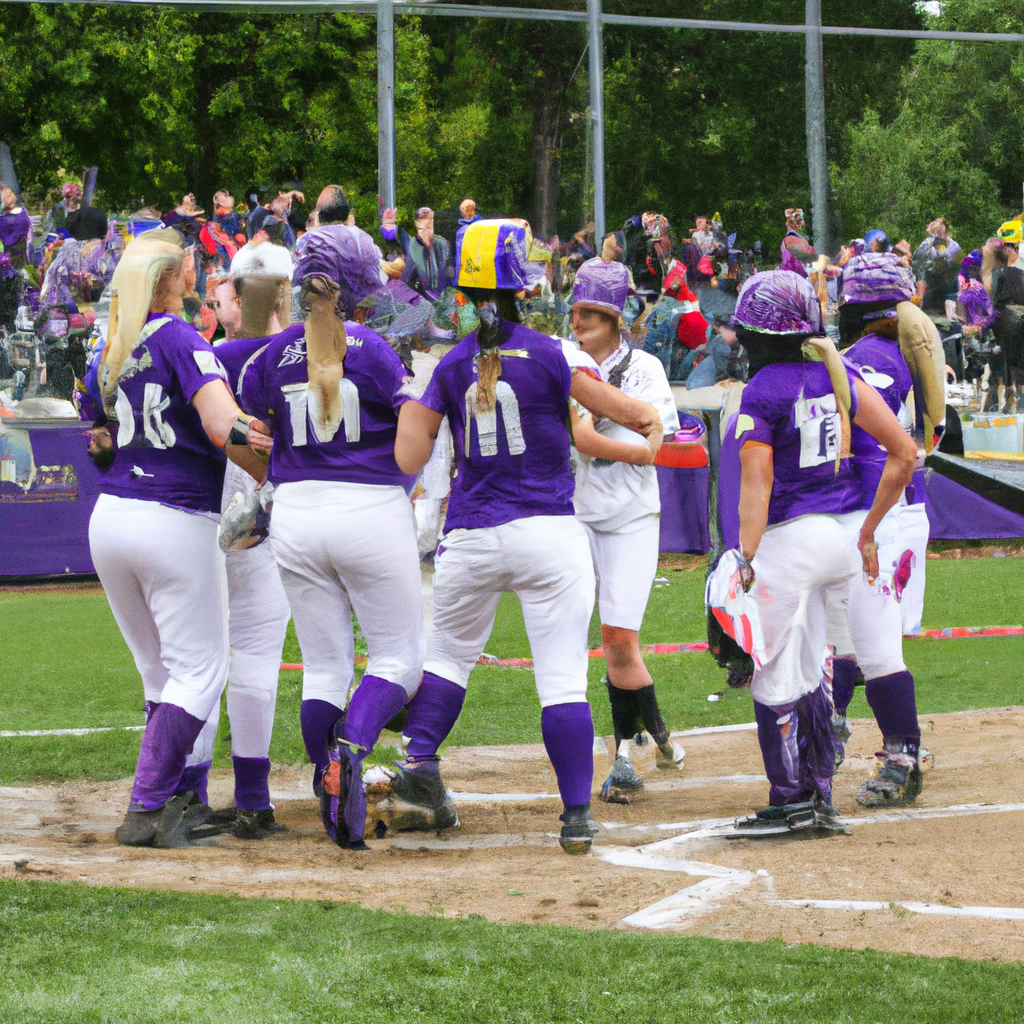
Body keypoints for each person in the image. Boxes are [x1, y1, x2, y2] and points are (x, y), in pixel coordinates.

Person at [389, 218, 665, 855]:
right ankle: (573, 816)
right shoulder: (550, 353)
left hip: (473, 534)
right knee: (562, 678)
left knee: (448, 660)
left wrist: (408, 391)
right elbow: (632, 413)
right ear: (525, 286)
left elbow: (409, 456)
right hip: (547, 532)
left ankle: (422, 770)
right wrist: (650, 434)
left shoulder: (454, 361)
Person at [241, 224, 422, 851]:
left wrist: (278, 485)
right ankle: (353, 744)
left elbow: (251, 436)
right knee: (399, 658)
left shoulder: (269, 356)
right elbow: (412, 437)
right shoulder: (371, 348)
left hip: (294, 512)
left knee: (323, 666)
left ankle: (327, 781)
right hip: (369, 506)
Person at [87, 228, 267, 848]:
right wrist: (281, 463)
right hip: (173, 516)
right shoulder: (183, 337)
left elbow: (102, 448)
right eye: (190, 264)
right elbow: (224, 425)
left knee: (160, 674)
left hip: (111, 518)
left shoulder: (110, 346)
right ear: (173, 278)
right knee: (202, 672)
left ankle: (175, 801)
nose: (197, 270)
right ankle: (147, 806)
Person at [728, 270, 916, 833]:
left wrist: (744, 556)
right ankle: (820, 797)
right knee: (814, 668)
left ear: (761, 335)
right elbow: (904, 454)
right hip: (844, 536)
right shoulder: (845, 375)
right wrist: (869, 530)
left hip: (790, 539)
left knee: (776, 674)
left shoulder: (760, 390)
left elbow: (757, 484)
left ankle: (791, 799)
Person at [187, 239, 295, 839]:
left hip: (203, 515)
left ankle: (191, 793)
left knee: (198, 658)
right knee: (256, 657)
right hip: (269, 509)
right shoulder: (303, 352)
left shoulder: (207, 354)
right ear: (285, 290)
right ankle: (254, 799)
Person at [568, 257, 684, 804]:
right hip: (570, 517)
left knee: (619, 640)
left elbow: (652, 447)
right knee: (575, 643)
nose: (579, 323)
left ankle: (623, 758)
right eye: (576, 312)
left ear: (617, 318)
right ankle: (657, 735)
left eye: (592, 313)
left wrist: (591, 429)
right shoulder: (562, 361)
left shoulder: (645, 370)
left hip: (630, 519)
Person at [829, 252, 937, 806]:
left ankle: (901, 755)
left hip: (880, 514)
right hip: (898, 507)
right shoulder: (900, 356)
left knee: (867, 641)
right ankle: (836, 728)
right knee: (852, 636)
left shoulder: (868, 358)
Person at [380, 206, 453, 299]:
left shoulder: (442, 243)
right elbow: (394, 248)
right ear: (417, 224)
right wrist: (388, 231)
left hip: (442, 299)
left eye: (429, 224)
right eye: (422, 225)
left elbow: (449, 271)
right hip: (418, 301)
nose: (426, 229)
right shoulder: (411, 246)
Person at [779, 208, 818, 278]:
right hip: (798, 277)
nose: (786, 224)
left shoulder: (791, 239)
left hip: (792, 277)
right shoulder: (794, 239)